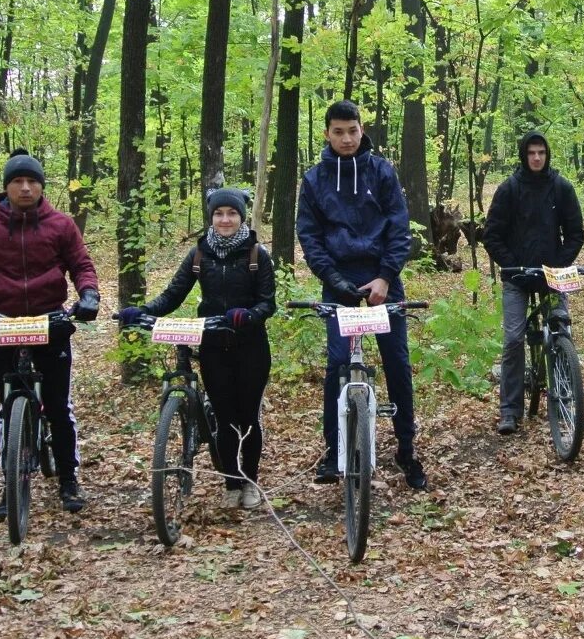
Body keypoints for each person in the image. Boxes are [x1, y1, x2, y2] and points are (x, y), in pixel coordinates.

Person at [0, 149, 100, 519]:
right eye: (18, 181)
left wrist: (89, 294)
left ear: (42, 186)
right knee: (8, 405)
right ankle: (11, 480)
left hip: (51, 322)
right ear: (7, 187)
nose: (26, 188)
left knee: (59, 407)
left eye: (32, 182)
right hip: (4, 321)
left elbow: (81, 265)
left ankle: (67, 478)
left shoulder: (61, 225)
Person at [118, 188, 276, 509]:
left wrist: (249, 315)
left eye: (231, 213)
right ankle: (232, 483)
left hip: (251, 347)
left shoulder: (257, 255)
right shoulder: (199, 255)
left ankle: (250, 482)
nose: (225, 219)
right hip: (213, 346)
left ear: (241, 217)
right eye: (219, 214)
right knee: (224, 415)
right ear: (211, 217)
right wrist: (144, 311)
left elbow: (267, 303)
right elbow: (173, 295)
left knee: (248, 418)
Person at [297, 100, 426, 490]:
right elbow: (310, 236)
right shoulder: (314, 179)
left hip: (383, 280)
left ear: (361, 128)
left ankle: (406, 447)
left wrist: (385, 278)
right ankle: (334, 452)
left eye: (352, 130)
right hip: (338, 282)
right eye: (338, 132)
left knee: (397, 363)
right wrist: (335, 281)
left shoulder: (383, 171)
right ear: (327, 134)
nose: (347, 139)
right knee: (338, 366)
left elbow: (399, 229)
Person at [482, 131, 584, 435]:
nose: (537, 158)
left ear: (548, 154)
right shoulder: (509, 189)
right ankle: (510, 411)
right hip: (517, 276)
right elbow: (491, 235)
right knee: (514, 338)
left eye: (541, 152)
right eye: (531, 153)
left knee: (561, 328)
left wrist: (559, 263)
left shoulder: (561, 187)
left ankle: (565, 396)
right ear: (524, 156)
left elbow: (576, 232)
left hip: (553, 276)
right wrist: (512, 265)